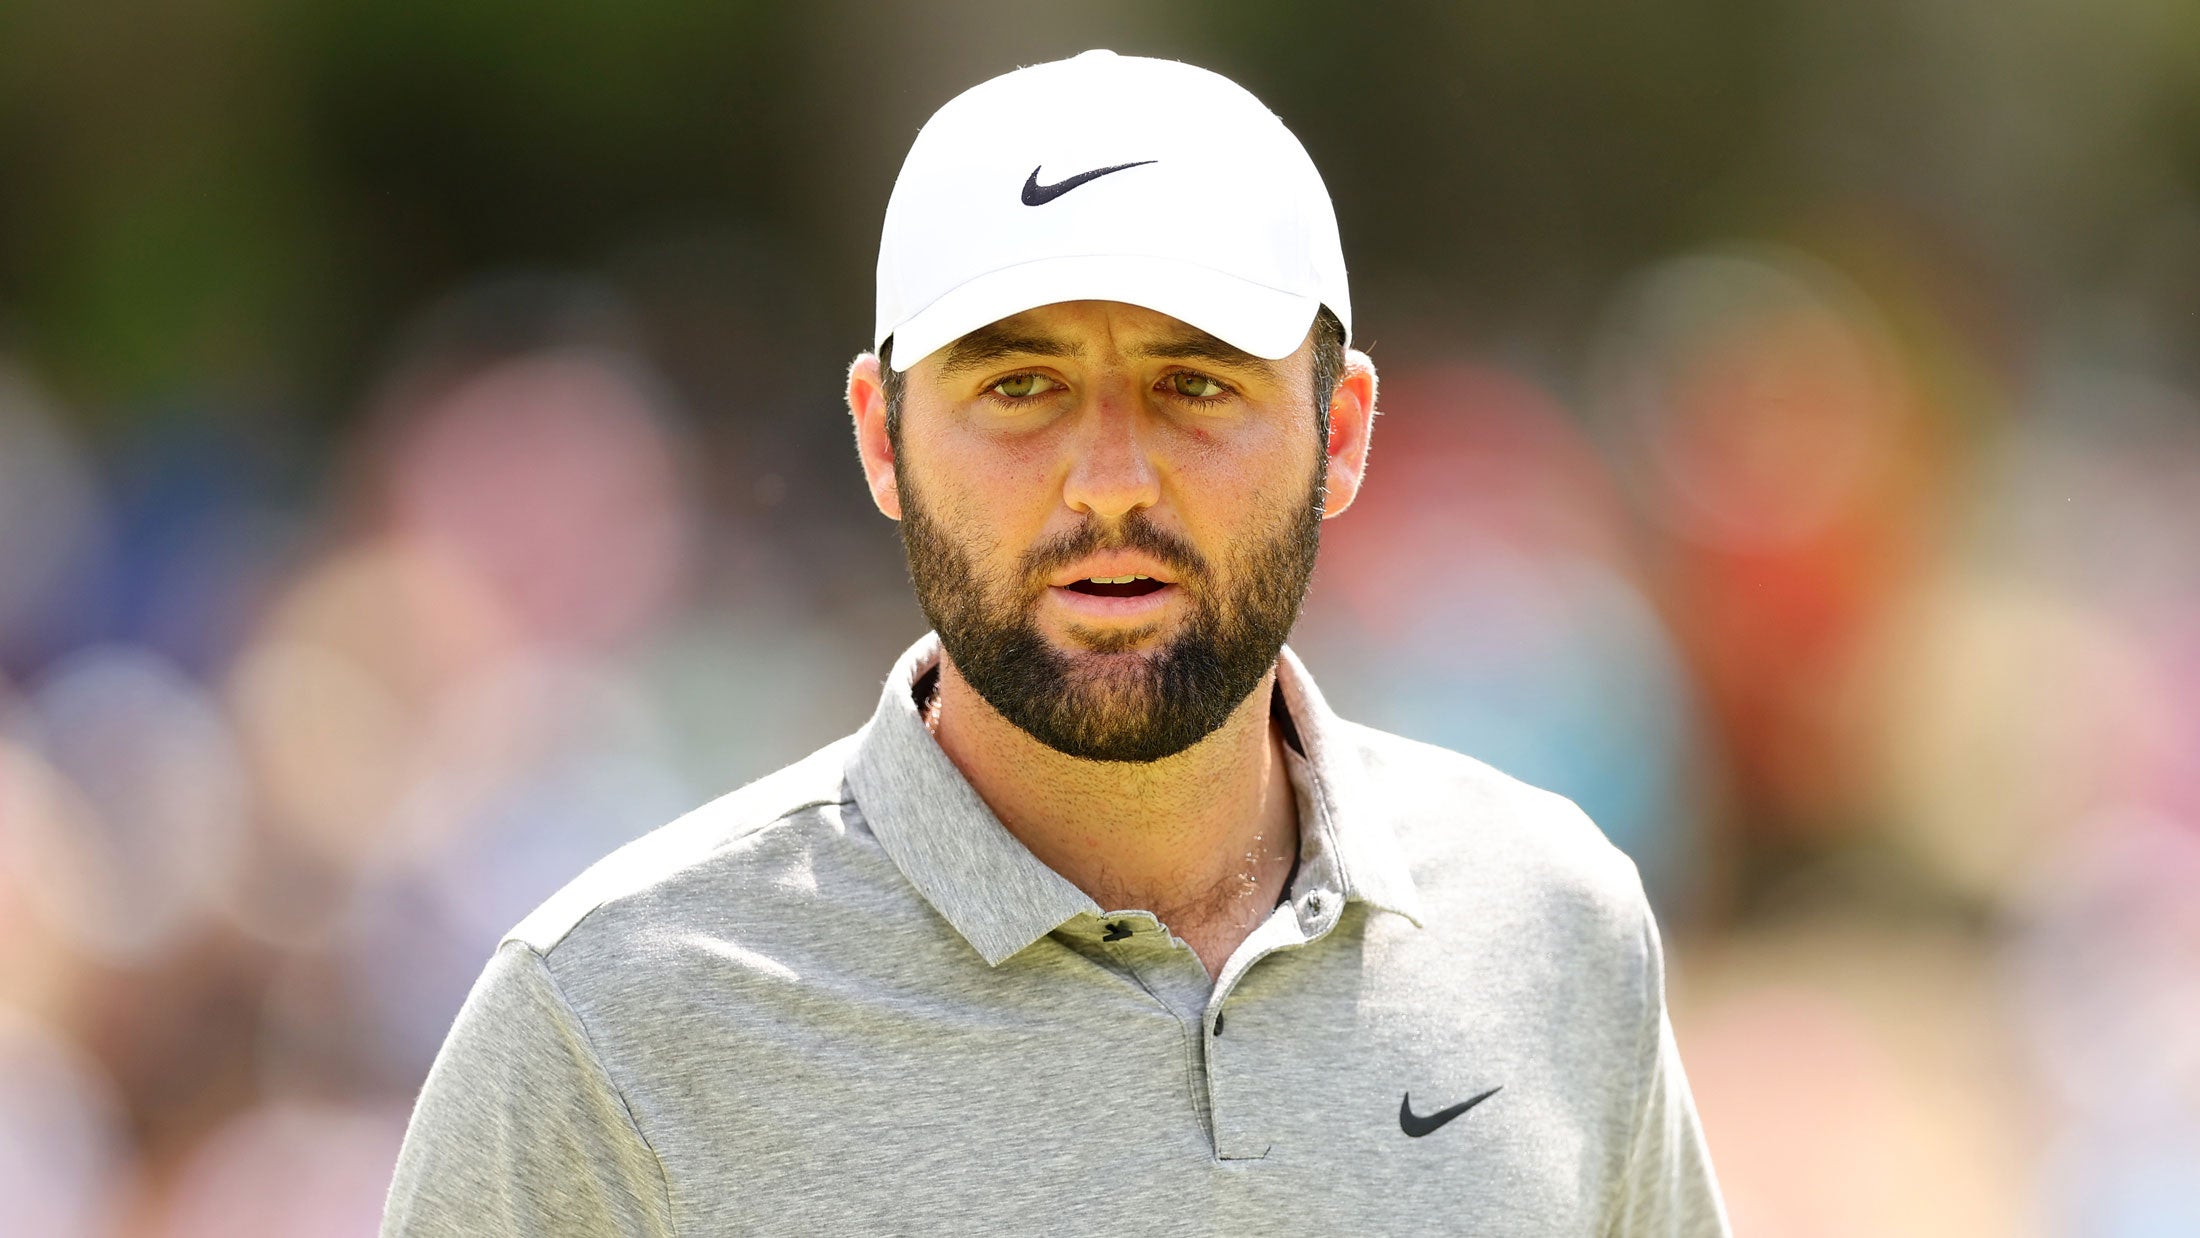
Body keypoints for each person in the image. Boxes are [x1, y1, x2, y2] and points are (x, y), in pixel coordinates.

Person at [380, 50, 1730, 1237]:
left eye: (1194, 383)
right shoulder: (615, 1021)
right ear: (879, 436)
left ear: (1342, 430)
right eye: (1018, 387)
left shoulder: (1550, 924)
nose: (1108, 481)